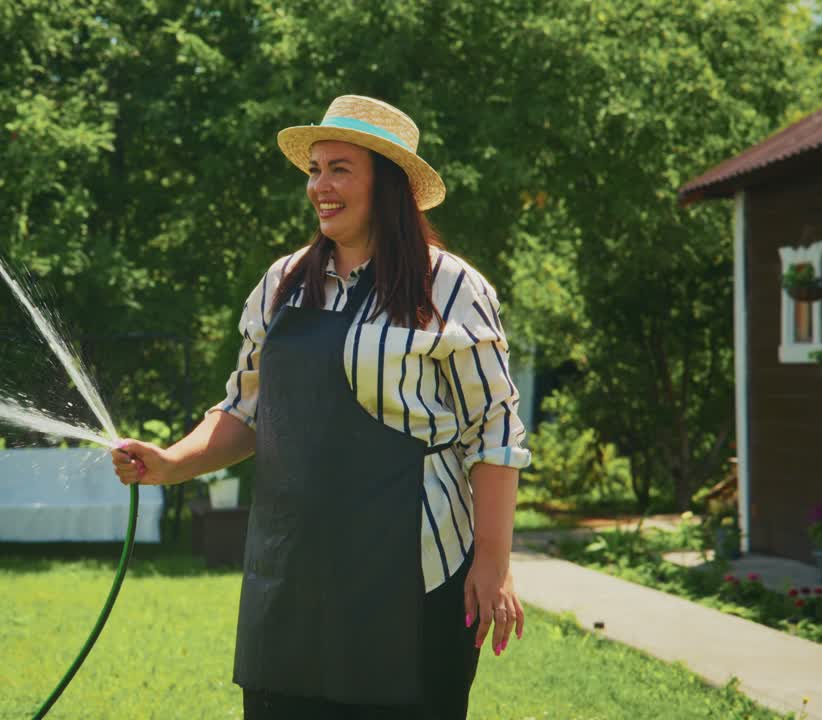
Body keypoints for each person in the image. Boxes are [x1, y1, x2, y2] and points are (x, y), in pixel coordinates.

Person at [110, 95, 531, 719]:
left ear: (387, 184)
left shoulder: (450, 288)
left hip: (415, 580)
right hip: (293, 581)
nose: (320, 187)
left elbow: (493, 431)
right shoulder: (281, 282)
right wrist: (169, 462)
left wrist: (493, 562)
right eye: (314, 169)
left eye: (339, 168)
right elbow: (245, 410)